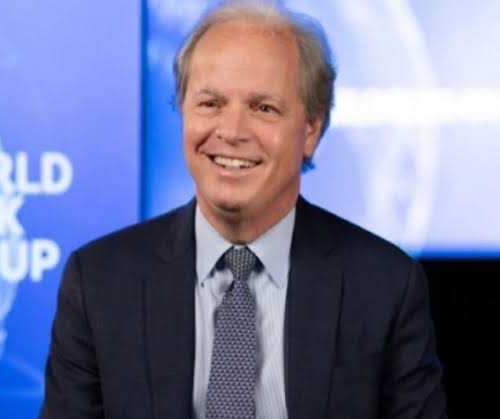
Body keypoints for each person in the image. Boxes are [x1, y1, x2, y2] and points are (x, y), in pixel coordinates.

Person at [40, 1, 446, 418]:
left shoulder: (385, 287)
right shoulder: (99, 283)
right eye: (210, 104)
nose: (231, 132)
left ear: (310, 130)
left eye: (263, 108)